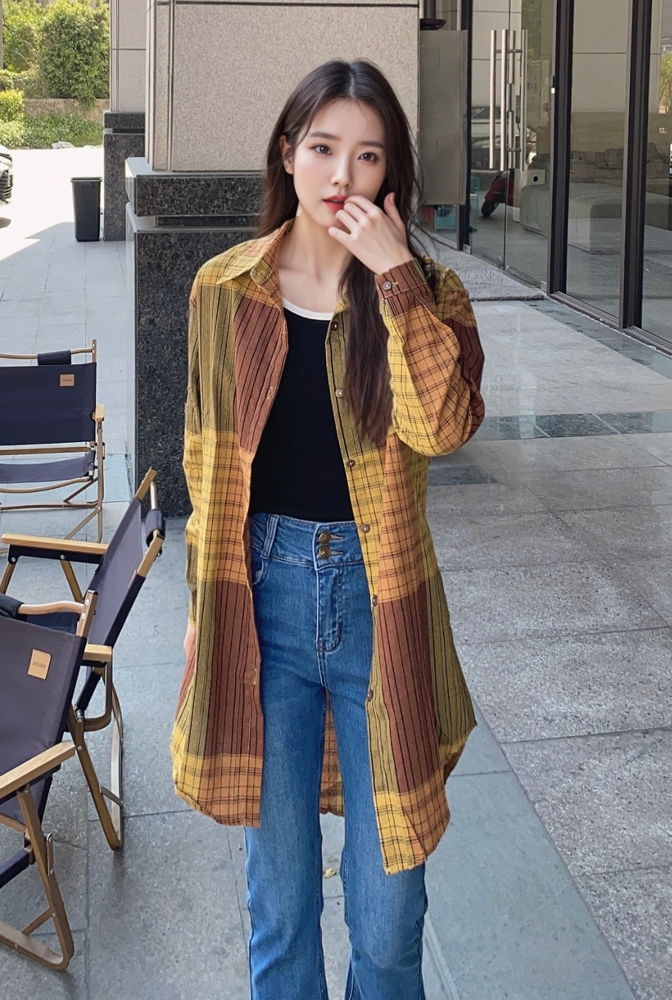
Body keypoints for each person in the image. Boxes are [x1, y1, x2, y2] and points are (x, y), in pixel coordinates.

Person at [171, 59, 485, 1000]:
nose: (342, 175)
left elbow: (444, 428)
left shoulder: (432, 293)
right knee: (280, 906)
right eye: (322, 148)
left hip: (379, 599)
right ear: (287, 154)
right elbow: (205, 465)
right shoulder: (224, 289)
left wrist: (395, 280)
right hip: (262, 596)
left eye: (368, 155)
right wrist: (202, 613)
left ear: (392, 175)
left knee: (389, 921)